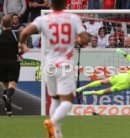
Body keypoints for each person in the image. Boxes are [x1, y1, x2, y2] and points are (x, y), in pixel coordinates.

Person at [19, 0, 89, 137]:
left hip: (49, 65)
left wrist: (22, 45)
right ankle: (52, 122)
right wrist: (77, 40)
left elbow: (24, 33)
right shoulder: (72, 18)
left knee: (55, 99)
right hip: (64, 65)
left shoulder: (42, 19)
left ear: (51, 5)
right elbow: (85, 39)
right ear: (65, 4)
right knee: (67, 102)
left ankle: (55, 133)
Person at [0, 16, 25, 117]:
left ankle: (9, 111)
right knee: (12, 86)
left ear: (1, 24)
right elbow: (22, 48)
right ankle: (6, 97)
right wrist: (19, 53)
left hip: (1, 63)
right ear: (11, 24)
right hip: (13, 62)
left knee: (6, 86)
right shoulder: (16, 34)